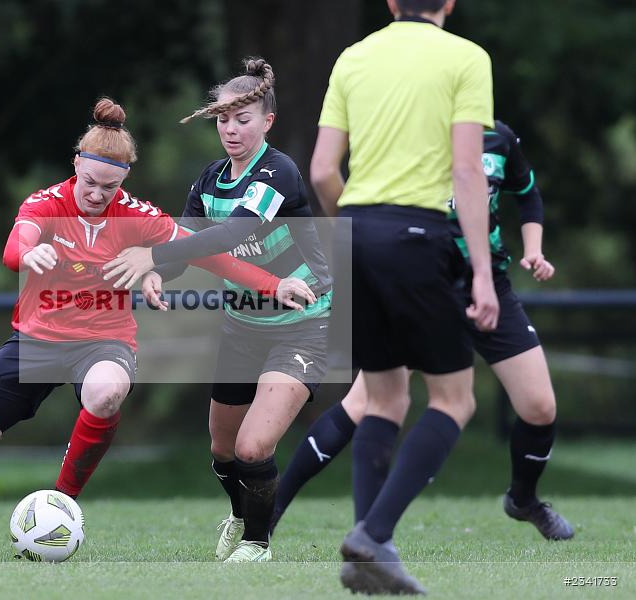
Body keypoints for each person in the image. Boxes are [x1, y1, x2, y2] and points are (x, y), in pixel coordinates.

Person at [0, 97, 314, 561]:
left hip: (103, 343)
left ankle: (62, 503)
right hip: (35, 339)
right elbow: (16, 245)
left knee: (107, 391)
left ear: (123, 179)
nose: (95, 194)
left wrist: (274, 284)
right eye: (89, 182)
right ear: (76, 165)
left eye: (108, 186)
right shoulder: (46, 203)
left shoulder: (137, 216)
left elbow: (210, 255)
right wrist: (27, 255)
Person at [271, 120, 574, 542]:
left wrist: (535, 250)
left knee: (540, 407)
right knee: (367, 402)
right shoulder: (410, 135)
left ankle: (523, 499)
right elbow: (348, 189)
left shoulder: (499, 138)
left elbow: (528, 196)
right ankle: (269, 513)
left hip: (489, 285)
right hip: (423, 279)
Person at [102, 58, 333, 562]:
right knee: (223, 452)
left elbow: (234, 233)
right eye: (224, 120)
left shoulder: (279, 171)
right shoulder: (209, 178)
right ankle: (241, 513)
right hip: (242, 327)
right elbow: (191, 247)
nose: (231, 129)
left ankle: (257, 543)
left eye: (243, 119)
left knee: (253, 448)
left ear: (266, 122)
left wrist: (154, 255)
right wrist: (160, 271)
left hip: (303, 326)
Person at [308, 0, 499, 593]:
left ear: (391, 3)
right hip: (415, 235)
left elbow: (320, 172)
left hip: (354, 230)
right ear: (448, 3)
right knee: (454, 398)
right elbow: (467, 172)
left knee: (385, 398)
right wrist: (484, 274)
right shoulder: (466, 58)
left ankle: (369, 554)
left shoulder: (354, 56)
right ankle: (373, 534)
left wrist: (355, 233)